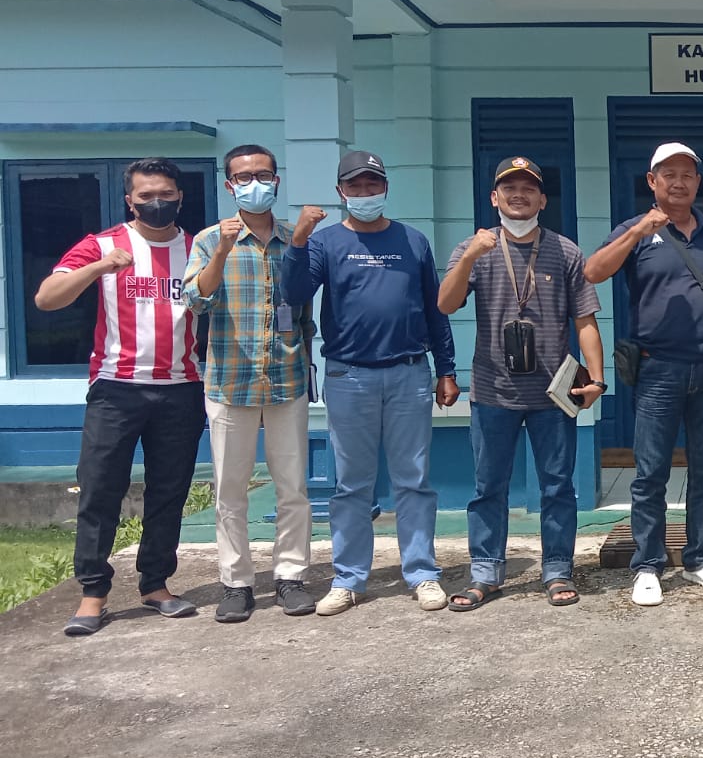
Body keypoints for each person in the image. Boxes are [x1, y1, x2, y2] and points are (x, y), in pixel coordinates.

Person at [281, 149, 458, 616]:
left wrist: (447, 369)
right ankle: (348, 578)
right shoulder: (324, 242)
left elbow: (435, 308)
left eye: (372, 184)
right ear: (341, 192)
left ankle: (422, 573)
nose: (364, 193)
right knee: (352, 485)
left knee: (413, 480)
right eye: (355, 186)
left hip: (409, 373)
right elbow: (294, 294)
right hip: (349, 375)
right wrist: (298, 241)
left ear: (385, 188)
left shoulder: (413, 241)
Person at [34, 157, 205, 636]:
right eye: (146, 196)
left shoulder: (197, 248)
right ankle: (93, 593)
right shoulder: (103, 245)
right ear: (130, 200)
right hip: (116, 388)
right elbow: (47, 298)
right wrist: (100, 268)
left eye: (166, 194)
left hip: (181, 387)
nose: (157, 203)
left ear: (180, 197)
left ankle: (156, 585)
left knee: (169, 492)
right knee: (99, 489)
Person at [584, 142, 703, 608]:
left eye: (687, 175)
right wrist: (638, 230)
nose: (679, 182)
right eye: (669, 174)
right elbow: (592, 271)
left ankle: (700, 557)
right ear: (652, 181)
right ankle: (648, 564)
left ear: (698, 182)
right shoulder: (636, 230)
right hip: (657, 370)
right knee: (651, 473)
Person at [437, 156, 605, 611]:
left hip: (554, 393)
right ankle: (485, 571)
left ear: (542, 200)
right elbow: (446, 304)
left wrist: (597, 379)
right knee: (488, 487)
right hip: (493, 391)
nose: (519, 195)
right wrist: (469, 258)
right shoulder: (474, 247)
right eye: (509, 188)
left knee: (558, 487)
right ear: (494, 197)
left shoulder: (566, 251)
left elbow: (585, 320)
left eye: (528, 188)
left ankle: (557, 569)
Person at [182, 145, 317, 622]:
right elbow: (196, 300)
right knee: (230, 488)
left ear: (276, 181)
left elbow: (303, 308)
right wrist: (222, 249)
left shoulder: (293, 238)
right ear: (229, 185)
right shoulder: (208, 239)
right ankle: (236, 582)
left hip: (285, 378)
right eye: (244, 176)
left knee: (292, 486)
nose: (254, 183)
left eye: (263, 174)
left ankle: (291, 576)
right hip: (229, 381)